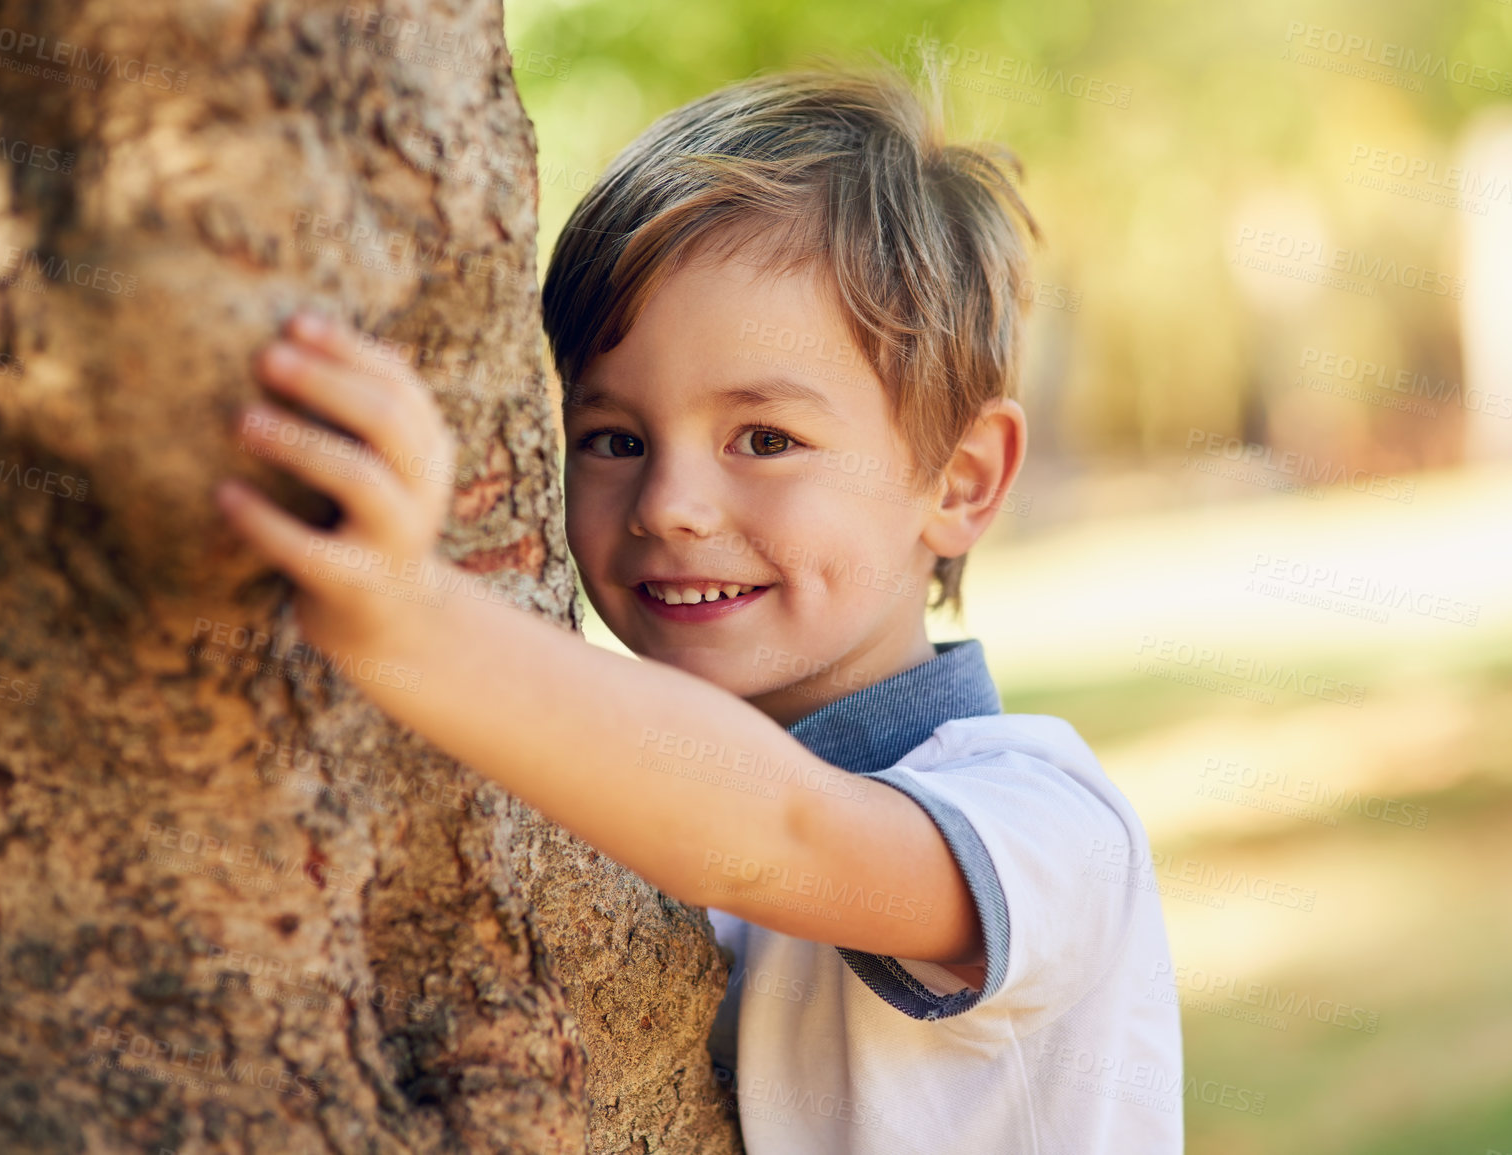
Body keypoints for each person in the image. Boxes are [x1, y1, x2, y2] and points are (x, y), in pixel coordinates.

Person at [216, 63, 1182, 1155]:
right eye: (612, 439)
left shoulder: (1046, 824)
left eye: (764, 440)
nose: (670, 506)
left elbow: (776, 829)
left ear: (959, 479)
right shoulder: (621, 821)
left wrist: (413, 626)